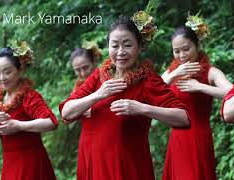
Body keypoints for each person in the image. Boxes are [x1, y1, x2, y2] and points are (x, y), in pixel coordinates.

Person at [59, 12, 190, 180]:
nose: (120, 52)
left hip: (128, 166)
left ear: (140, 46)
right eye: (115, 45)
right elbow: (66, 112)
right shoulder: (99, 75)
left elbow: (183, 118)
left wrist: (141, 108)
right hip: (96, 163)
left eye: (127, 45)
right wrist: (98, 95)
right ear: (108, 47)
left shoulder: (147, 79)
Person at [0, 42, 58, 180]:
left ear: (20, 70)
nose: (2, 78)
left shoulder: (29, 97)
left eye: (7, 72)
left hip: (32, 163)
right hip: (10, 165)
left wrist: (19, 126)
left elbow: (51, 122)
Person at [161, 15, 233, 180]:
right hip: (177, 139)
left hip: (198, 137)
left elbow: (232, 92)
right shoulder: (172, 72)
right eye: (176, 51)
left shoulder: (210, 71)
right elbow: (151, 94)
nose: (181, 55)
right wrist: (175, 75)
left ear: (197, 45)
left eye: (186, 49)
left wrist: (200, 87)